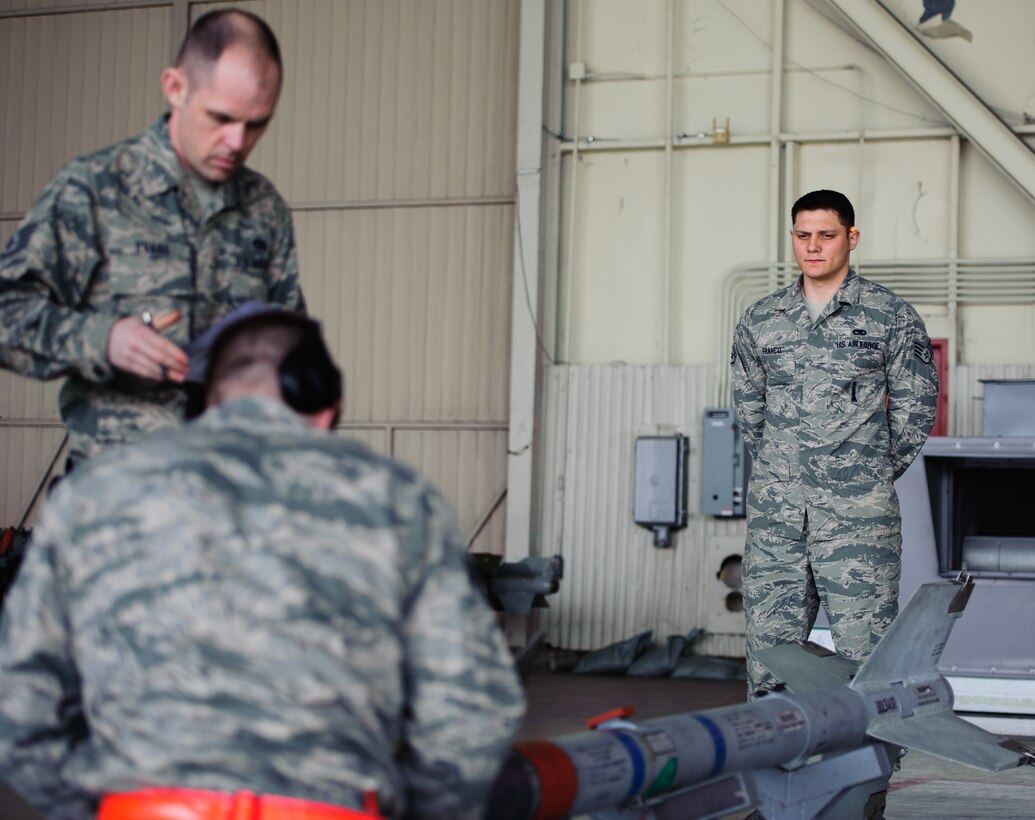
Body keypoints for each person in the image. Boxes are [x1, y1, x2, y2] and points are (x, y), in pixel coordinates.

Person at [0, 303, 525, 820]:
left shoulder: (93, 493)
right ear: (325, 402)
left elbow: (19, 704)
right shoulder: (396, 498)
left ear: (205, 401)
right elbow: (469, 712)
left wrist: (101, 810)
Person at [0, 8, 305, 470]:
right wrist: (103, 339)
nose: (236, 142)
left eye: (257, 123)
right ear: (175, 87)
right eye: (220, 117)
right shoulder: (94, 190)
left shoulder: (264, 209)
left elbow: (289, 347)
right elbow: (7, 313)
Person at [731, 189, 939, 698]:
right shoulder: (761, 320)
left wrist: (864, 475)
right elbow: (749, 411)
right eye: (803, 235)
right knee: (768, 658)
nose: (814, 246)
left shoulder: (889, 316)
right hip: (776, 520)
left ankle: (867, 777)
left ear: (851, 237)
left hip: (857, 522)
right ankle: (779, 770)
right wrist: (785, 475)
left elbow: (916, 409)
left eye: (826, 235)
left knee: (866, 659)